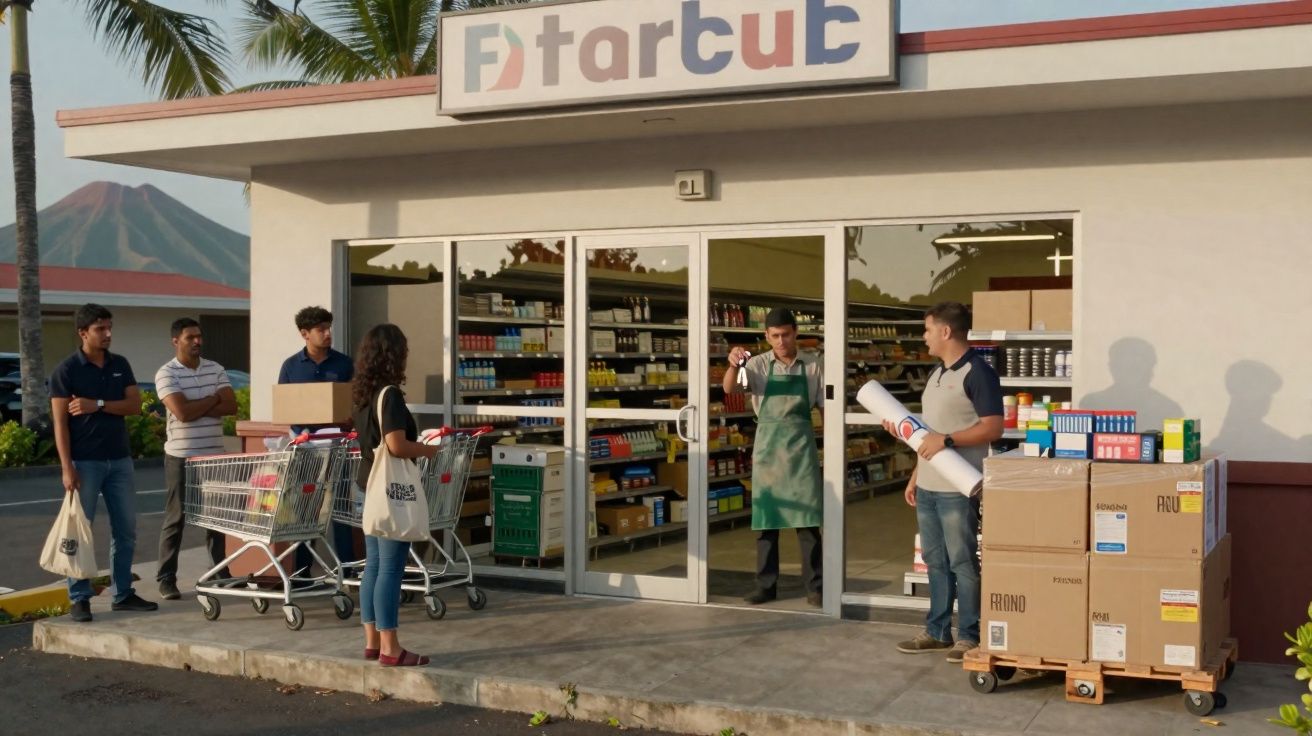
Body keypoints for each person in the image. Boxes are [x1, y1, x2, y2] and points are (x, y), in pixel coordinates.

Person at [886, 301, 1002, 663]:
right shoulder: (937, 374)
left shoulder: (978, 373)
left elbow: (993, 427)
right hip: (929, 486)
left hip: (957, 488)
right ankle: (937, 631)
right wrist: (916, 474)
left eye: (927, 329)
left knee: (963, 561)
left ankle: (969, 635)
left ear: (946, 331)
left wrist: (948, 440)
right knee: (935, 560)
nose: (925, 336)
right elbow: (929, 434)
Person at [49, 303, 158, 622]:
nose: (108, 334)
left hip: (120, 461)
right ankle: (79, 596)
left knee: (125, 530)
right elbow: (59, 423)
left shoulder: (120, 364)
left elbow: (135, 405)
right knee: (79, 532)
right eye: (100, 329)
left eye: (110, 328)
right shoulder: (66, 370)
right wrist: (67, 467)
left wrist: (95, 404)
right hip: (84, 463)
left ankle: (122, 593)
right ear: (83, 333)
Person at [351, 324, 438, 667]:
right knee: (390, 568)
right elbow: (396, 445)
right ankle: (391, 647)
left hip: (368, 485)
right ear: (394, 355)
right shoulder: (390, 395)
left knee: (372, 566)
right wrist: (428, 450)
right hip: (391, 491)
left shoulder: (363, 394)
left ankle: (372, 641)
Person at [724, 308, 824, 608]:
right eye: (775, 336)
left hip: (801, 449)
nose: (781, 341)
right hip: (768, 449)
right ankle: (765, 586)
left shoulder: (812, 365)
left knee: (808, 523)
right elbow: (732, 389)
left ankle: (815, 587)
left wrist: (832, 448)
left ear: (796, 333)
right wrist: (733, 365)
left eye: (786, 334)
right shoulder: (754, 365)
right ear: (767, 336)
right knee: (766, 524)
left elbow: (824, 405)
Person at [154, 318, 239, 600]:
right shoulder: (166, 373)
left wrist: (202, 403)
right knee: (176, 518)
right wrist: (212, 399)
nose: (197, 342)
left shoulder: (215, 368)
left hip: (213, 455)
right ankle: (166, 578)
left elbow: (231, 405)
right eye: (190, 337)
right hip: (181, 457)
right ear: (176, 341)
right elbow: (183, 413)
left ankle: (220, 572)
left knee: (217, 518)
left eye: (199, 336)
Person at [278, 306, 355, 576]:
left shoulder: (345, 364)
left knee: (341, 510)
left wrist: (349, 419)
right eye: (321, 330)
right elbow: (285, 408)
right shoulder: (290, 366)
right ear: (305, 334)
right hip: (306, 449)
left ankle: (348, 569)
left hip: (338, 446)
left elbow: (355, 403)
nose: (327, 334)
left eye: (328, 328)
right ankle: (301, 573)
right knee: (305, 509)